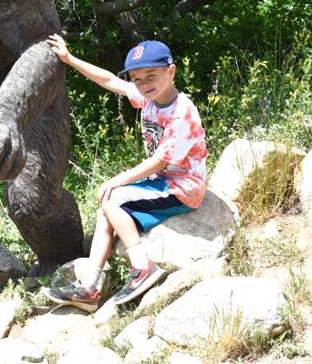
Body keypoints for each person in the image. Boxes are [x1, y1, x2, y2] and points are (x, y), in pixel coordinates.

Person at [42, 34, 207, 311]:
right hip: (164, 181)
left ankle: (143, 267)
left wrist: (116, 180)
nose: (143, 84)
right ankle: (88, 289)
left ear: (171, 71)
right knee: (105, 210)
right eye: (137, 78)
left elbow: (159, 161)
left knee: (111, 197)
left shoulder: (182, 112)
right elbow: (110, 81)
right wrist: (69, 59)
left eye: (151, 75)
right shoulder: (149, 98)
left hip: (183, 186)